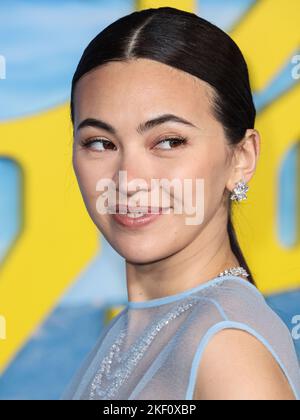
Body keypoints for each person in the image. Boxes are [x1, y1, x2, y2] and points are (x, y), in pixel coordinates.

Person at [62, 7, 300, 400]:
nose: (129, 181)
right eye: (100, 143)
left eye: (169, 141)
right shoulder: (131, 330)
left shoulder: (226, 347)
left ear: (241, 158)